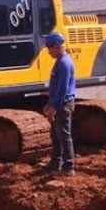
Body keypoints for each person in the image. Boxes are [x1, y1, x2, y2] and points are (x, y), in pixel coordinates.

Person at [42, 31, 76, 176]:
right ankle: (55, 163)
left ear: (56, 46)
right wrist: (50, 104)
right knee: (55, 135)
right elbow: (56, 87)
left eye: (49, 48)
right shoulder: (60, 61)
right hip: (58, 103)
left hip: (63, 104)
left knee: (64, 136)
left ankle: (68, 168)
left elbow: (62, 89)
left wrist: (54, 107)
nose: (48, 52)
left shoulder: (64, 63)